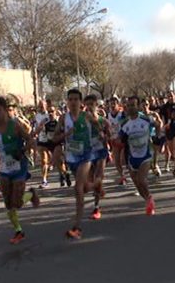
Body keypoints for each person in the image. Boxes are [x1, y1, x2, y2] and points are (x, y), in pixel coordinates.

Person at [0, 96, 39, 244]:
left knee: (17, 203)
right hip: (4, 168)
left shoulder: (15, 125)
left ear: (5, 110)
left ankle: (31, 194)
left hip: (19, 166)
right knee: (8, 204)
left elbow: (30, 139)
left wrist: (22, 150)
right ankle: (18, 231)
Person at [55, 89, 100, 240]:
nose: (73, 102)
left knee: (78, 188)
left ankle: (77, 227)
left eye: (76, 99)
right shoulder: (63, 118)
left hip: (86, 155)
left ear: (81, 102)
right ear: (67, 102)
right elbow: (55, 138)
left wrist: (101, 135)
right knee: (85, 187)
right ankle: (97, 185)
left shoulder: (87, 116)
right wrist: (65, 135)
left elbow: (98, 128)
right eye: (70, 99)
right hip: (72, 158)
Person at [117, 96, 156, 215]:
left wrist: (157, 131)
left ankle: (149, 198)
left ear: (138, 106)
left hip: (146, 154)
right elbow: (120, 138)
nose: (130, 108)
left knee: (141, 179)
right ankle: (147, 201)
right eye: (128, 105)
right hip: (132, 156)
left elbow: (157, 126)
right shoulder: (124, 123)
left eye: (133, 105)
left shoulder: (145, 119)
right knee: (137, 183)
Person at [84, 94, 110, 220]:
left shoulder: (103, 121)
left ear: (96, 105)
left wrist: (105, 137)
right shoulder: (82, 121)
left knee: (98, 178)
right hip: (88, 153)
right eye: (87, 104)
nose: (89, 107)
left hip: (100, 151)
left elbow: (109, 136)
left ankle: (96, 207)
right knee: (90, 180)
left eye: (91, 104)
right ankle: (98, 190)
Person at [140, 99, 164, 176]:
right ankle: (152, 166)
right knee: (148, 153)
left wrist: (158, 129)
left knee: (154, 152)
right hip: (144, 136)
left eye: (146, 104)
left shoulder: (154, 114)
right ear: (140, 106)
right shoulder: (140, 115)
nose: (145, 106)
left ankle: (155, 165)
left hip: (153, 134)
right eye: (143, 105)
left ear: (149, 105)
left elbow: (160, 123)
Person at [108, 97, 127, 185]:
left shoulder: (122, 114)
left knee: (122, 159)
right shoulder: (108, 115)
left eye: (114, 104)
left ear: (117, 105)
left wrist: (121, 135)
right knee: (116, 161)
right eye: (111, 104)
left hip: (122, 139)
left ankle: (130, 173)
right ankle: (122, 176)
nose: (112, 105)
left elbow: (125, 125)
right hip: (114, 140)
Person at [34, 100, 50, 188]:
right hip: (42, 139)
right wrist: (35, 133)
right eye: (40, 106)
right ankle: (44, 180)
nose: (41, 107)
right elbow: (37, 126)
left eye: (43, 105)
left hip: (51, 140)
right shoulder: (37, 116)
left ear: (46, 106)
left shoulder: (50, 114)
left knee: (58, 160)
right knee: (43, 160)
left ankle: (63, 173)